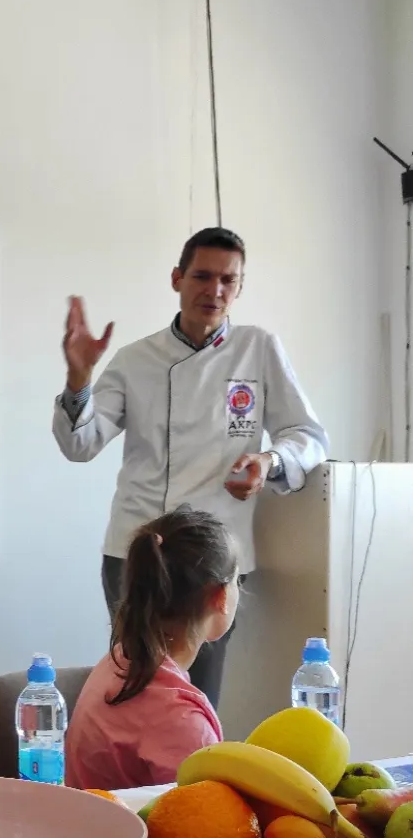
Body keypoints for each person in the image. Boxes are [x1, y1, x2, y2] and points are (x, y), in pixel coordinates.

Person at [52, 227, 328, 709]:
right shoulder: (137, 359)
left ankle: (196, 762)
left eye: (228, 280)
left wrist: (269, 461)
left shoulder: (259, 349)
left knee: (198, 696)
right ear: (177, 278)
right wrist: (79, 378)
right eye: (202, 276)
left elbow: (309, 437)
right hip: (137, 550)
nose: (214, 290)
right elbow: (80, 443)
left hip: (215, 555)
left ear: (239, 287)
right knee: (134, 689)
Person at [65, 507, 237, 790]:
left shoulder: (119, 659)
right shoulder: (183, 723)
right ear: (220, 596)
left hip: (90, 815)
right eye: (236, 581)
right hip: (127, 821)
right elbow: (206, 812)